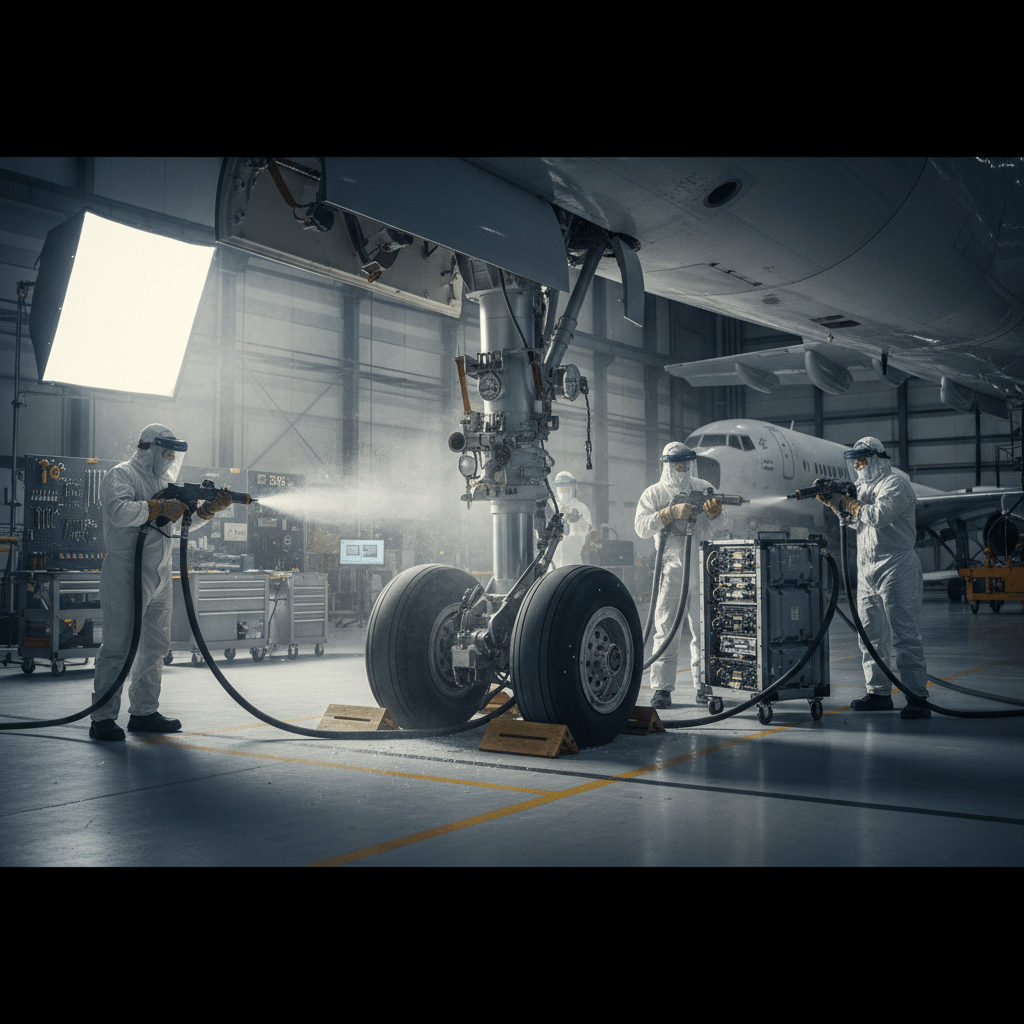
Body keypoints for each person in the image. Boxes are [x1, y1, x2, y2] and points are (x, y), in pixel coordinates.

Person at [89, 424, 234, 741]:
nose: (170, 459)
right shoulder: (122, 475)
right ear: (150, 449)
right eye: (166, 453)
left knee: (155, 647)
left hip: (160, 572)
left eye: (174, 454)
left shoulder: (165, 482)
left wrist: (208, 511)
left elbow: (181, 523)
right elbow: (118, 512)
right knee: (118, 647)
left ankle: (143, 712)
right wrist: (156, 506)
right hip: (126, 571)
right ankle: (102, 718)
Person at [816, 436, 931, 720]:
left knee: (904, 635)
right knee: (870, 635)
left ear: (878, 458)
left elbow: (878, 516)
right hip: (867, 568)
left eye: (863, 458)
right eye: (854, 459)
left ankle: (917, 696)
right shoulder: (863, 489)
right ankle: (878, 693)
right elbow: (859, 522)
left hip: (896, 567)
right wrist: (836, 505)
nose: (858, 464)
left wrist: (847, 502)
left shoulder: (895, 484)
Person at [635, 442, 728, 709]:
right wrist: (668, 513)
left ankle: (705, 684)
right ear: (666, 463)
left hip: (702, 566)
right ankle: (662, 689)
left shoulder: (703, 488)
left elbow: (722, 524)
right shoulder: (654, 493)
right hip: (671, 569)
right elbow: (641, 526)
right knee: (666, 628)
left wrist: (716, 514)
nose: (681, 467)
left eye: (685, 463)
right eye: (677, 463)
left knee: (705, 629)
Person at [552, 470, 594, 568]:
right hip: (553, 561)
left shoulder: (581, 508)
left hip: (573, 560)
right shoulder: (552, 508)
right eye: (561, 488)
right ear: (556, 489)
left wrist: (576, 520)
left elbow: (587, 532)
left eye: (567, 488)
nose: (564, 491)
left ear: (572, 488)